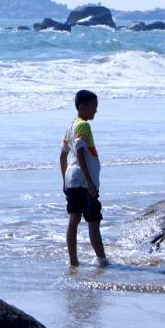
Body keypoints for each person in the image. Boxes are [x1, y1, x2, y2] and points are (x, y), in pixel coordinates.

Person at [59, 89, 108, 267]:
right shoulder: (83, 126)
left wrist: (64, 180)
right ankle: (102, 260)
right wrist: (89, 180)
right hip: (83, 179)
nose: (96, 110)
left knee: (73, 219)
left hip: (71, 179)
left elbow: (63, 156)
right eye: (93, 106)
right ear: (82, 107)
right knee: (93, 222)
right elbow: (80, 150)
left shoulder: (69, 126)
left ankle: (73, 261)